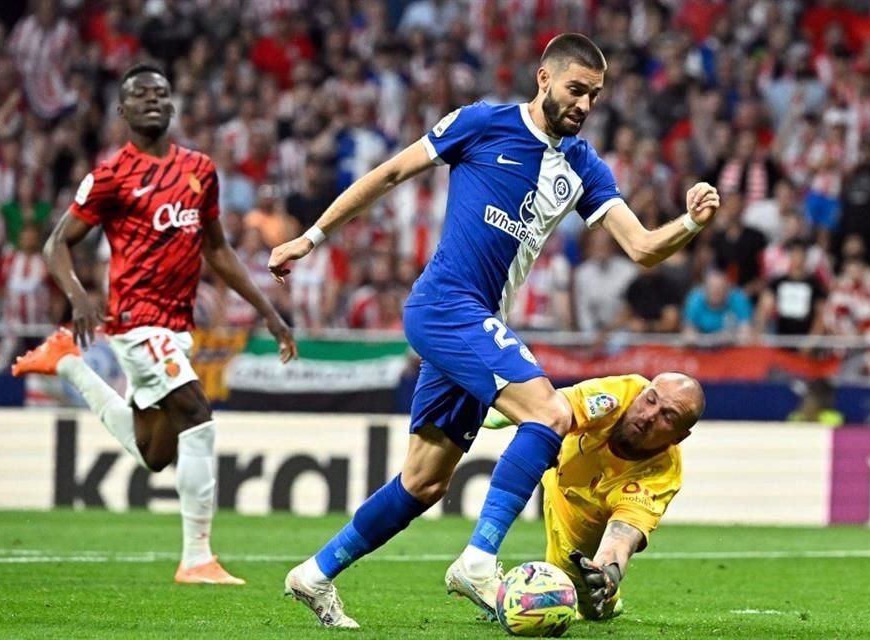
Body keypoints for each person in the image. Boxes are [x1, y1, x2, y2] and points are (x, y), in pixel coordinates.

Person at [269, 33, 720, 628]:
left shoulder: (583, 165)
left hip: (477, 320)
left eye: (595, 95)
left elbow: (641, 247)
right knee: (551, 416)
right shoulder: (482, 123)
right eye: (576, 89)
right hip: (445, 305)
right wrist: (313, 236)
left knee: (424, 482)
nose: (585, 104)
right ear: (544, 78)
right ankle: (479, 560)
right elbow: (389, 174)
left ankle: (316, 573)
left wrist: (690, 220)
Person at [11, 63, 297, 585]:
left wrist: (272, 315)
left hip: (176, 326)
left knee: (156, 453)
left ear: (172, 105)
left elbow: (219, 251)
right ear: (122, 110)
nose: (152, 101)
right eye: (140, 95)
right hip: (133, 322)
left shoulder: (199, 170)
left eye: (161, 93)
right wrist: (77, 297)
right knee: (196, 411)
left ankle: (70, 366)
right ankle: (196, 559)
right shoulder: (111, 174)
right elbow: (57, 245)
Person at [481, 372, 705, 620]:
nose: (650, 415)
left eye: (668, 416)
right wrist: (511, 411)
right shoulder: (616, 394)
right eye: (650, 399)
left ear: (679, 437)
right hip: (556, 469)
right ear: (642, 391)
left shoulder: (659, 476)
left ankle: (609, 602)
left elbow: (623, 535)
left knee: (591, 607)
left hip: (582, 524)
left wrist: (609, 571)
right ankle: (478, 560)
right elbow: (556, 406)